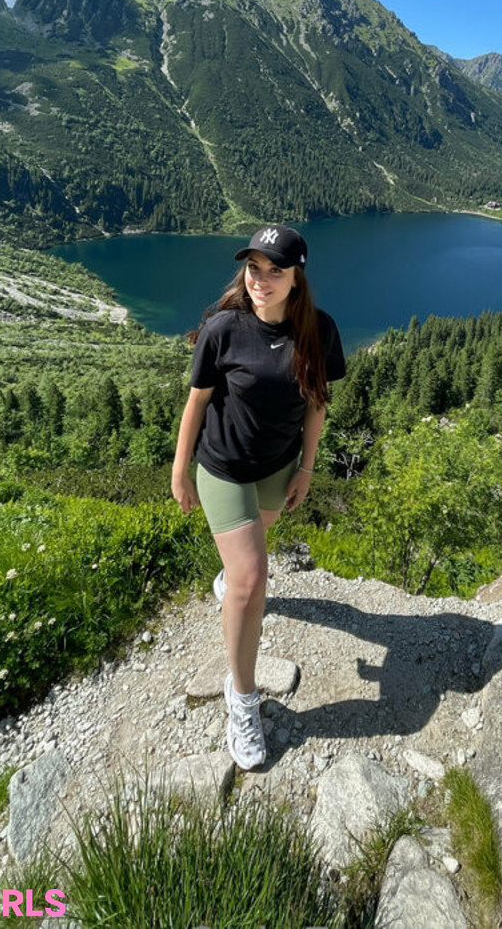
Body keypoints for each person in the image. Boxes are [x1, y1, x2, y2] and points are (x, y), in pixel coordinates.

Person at [170, 223, 346, 770]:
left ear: (297, 278)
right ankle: (242, 700)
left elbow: (316, 404)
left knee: (251, 554)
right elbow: (197, 403)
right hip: (222, 468)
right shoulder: (224, 328)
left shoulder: (319, 330)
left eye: (275, 270)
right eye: (253, 268)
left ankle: (231, 581)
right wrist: (180, 471)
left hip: (277, 468)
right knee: (252, 579)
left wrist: (306, 469)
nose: (260, 280)